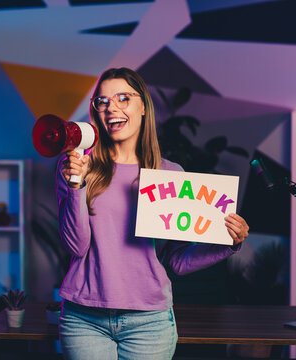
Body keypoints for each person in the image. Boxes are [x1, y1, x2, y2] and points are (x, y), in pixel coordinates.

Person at [56, 67, 249, 360]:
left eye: (123, 98)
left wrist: (229, 244)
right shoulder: (76, 166)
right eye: (103, 101)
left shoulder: (170, 174)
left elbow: (177, 260)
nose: (112, 109)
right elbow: (76, 246)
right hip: (84, 319)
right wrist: (77, 185)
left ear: (143, 106)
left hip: (149, 322)